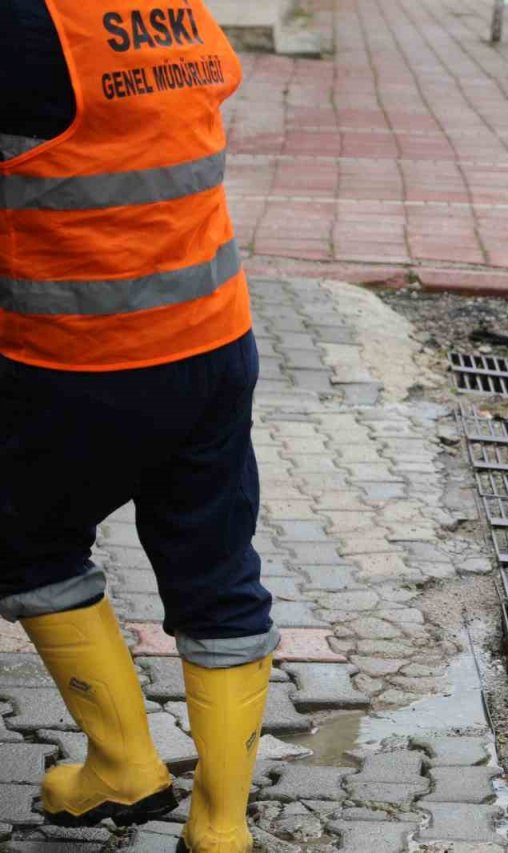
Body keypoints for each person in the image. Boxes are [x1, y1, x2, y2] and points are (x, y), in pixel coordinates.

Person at [0, 2, 275, 850]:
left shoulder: (22, 26)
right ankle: (221, 826)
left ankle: (123, 765)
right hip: (212, 341)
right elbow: (215, 77)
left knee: (27, 540)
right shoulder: (172, 5)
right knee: (218, 571)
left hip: (79, 359)